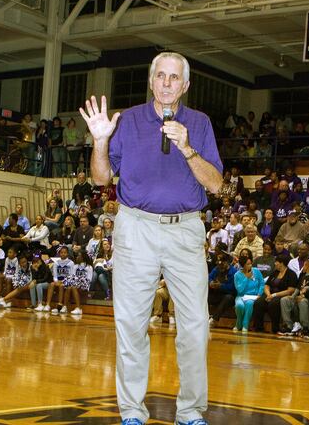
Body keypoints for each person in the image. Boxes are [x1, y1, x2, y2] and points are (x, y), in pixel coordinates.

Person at [80, 52, 224, 424]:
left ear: (185, 85)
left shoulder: (200, 123)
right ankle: (131, 412)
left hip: (186, 230)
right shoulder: (125, 121)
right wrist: (99, 142)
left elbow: (216, 183)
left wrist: (187, 147)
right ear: (150, 80)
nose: (166, 83)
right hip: (135, 227)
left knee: (194, 328)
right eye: (160, 76)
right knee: (130, 324)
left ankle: (190, 413)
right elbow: (100, 179)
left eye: (174, 78)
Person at [253, 253, 298, 333]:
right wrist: (268, 294)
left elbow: (290, 290)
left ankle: (275, 328)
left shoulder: (291, 274)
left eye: (276, 262)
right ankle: (258, 327)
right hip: (270, 294)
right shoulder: (275, 273)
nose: (275, 263)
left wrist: (274, 295)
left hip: (281, 295)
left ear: (282, 263)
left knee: (273, 304)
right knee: (258, 302)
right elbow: (266, 286)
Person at [233, 253, 265, 333]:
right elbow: (240, 290)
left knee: (249, 304)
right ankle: (239, 322)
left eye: (251, 264)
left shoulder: (256, 271)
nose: (250, 266)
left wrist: (259, 294)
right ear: (243, 265)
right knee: (239, 305)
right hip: (241, 296)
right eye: (248, 264)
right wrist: (246, 278)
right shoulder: (237, 275)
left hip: (253, 296)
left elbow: (262, 283)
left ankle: (245, 324)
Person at [207, 254, 237, 328]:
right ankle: (202, 317)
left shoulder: (234, 272)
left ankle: (214, 319)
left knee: (228, 298)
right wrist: (210, 282)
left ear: (227, 263)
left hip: (230, 295)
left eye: (222, 264)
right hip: (217, 294)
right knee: (204, 296)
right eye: (218, 264)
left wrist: (221, 286)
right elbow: (209, 277)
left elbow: (233, 287)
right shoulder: (216, 268)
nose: (220, 267)